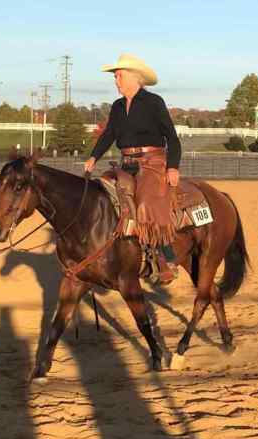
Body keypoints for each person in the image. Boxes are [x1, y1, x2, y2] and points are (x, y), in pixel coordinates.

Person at [84, 54, 182, 284]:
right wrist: (93, 157)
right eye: (115, 77)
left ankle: (167, 257)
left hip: (153, 162)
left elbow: (172, 137)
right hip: (126, 163)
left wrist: (173, 167)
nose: (116, 81)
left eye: (119, 76)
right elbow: (109, 134)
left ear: (135, 78)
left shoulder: (154, 102)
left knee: (146, 202)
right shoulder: (117, 106)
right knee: (102, 193)